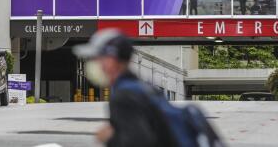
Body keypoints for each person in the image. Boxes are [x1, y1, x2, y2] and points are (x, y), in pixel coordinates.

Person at [73, 29, 224, 147]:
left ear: (111, 61)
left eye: (96, 58)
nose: (93, 63)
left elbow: (139, 142)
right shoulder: (145, 88)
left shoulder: (123, 96)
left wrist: (109, 138)